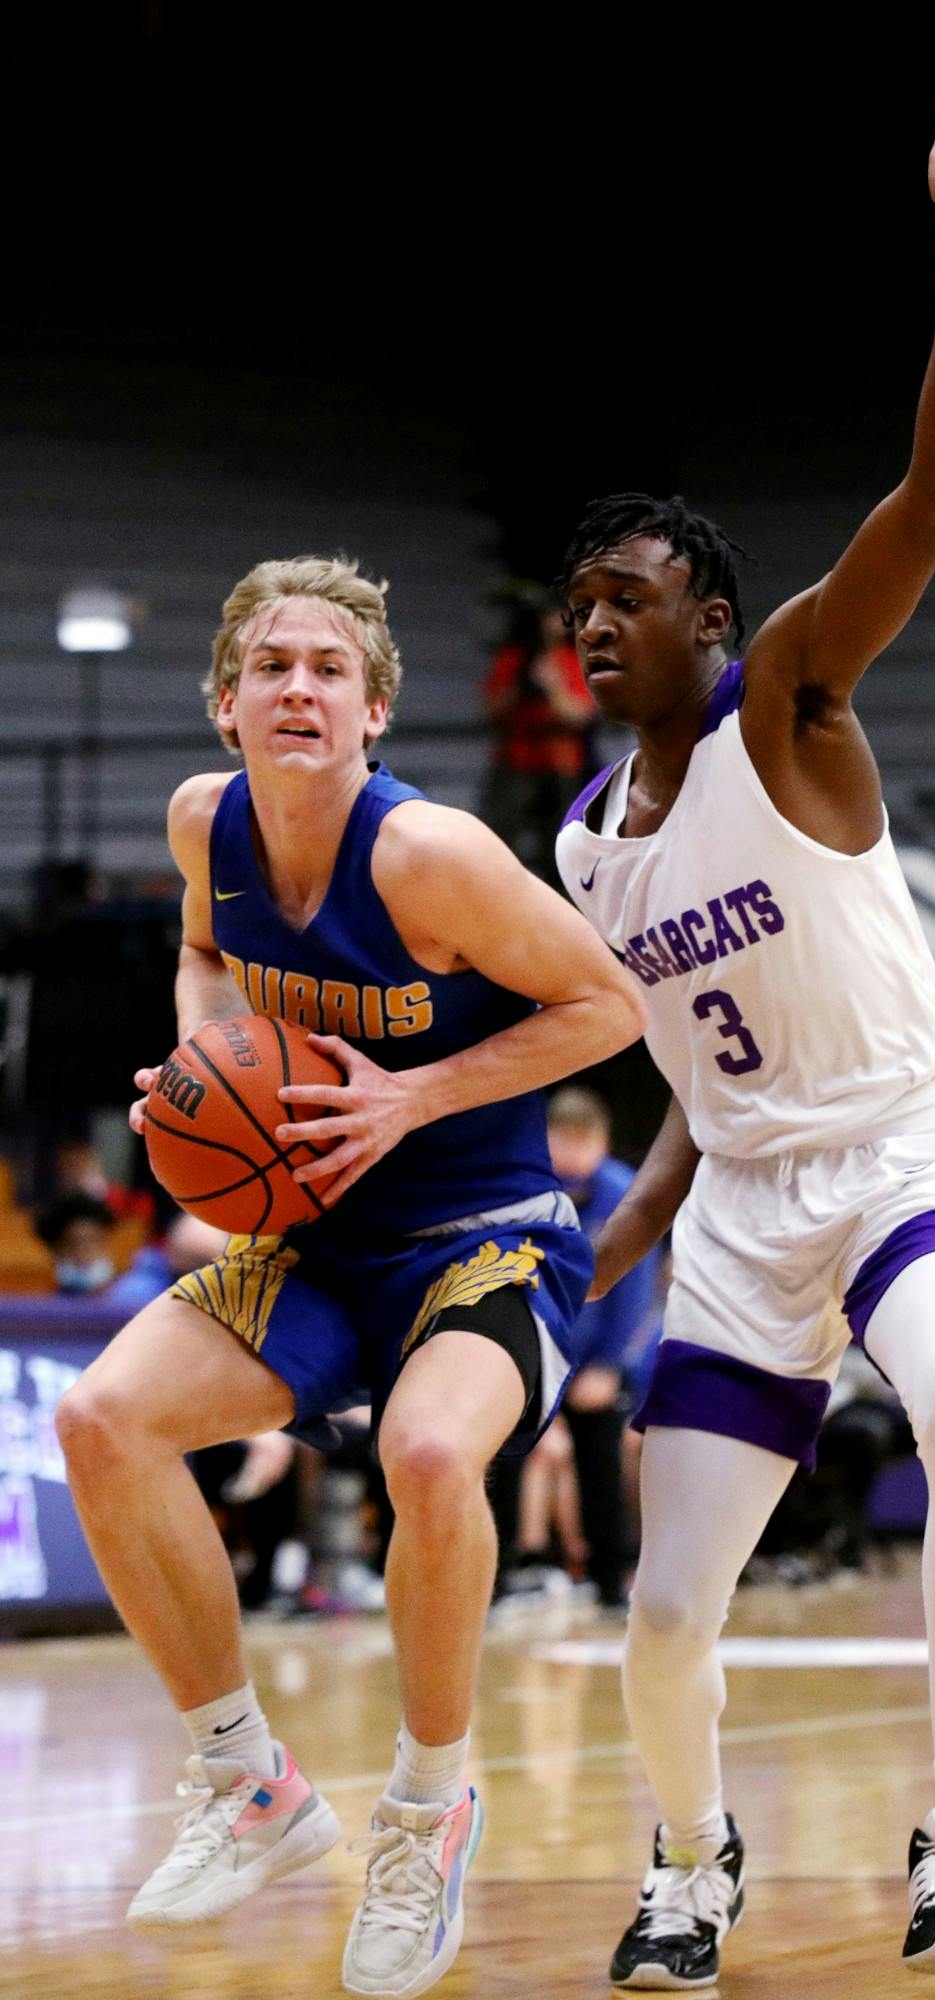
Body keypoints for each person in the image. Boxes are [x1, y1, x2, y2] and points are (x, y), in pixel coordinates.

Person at [555, 22, 935, 1986]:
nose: (595, 623)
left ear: (707, 612)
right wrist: (612, 1239)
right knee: (662, 1618)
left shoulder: (784, 702)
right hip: (747, 1218)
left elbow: (932, 494)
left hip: (904, 1158)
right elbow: (694, 1086)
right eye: (577, 606)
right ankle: (694, 1860)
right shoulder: (586, 848)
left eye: (627, 595)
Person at [54, 555, 643, 2000]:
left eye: (329, 669)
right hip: (315, 1238)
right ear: (225, 703)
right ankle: (248, 1780)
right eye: (271, 665)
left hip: (484, 1229)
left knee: (430, 1452)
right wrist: (199, 1064)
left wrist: (410, 1096)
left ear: (374, 711)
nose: (298, 688)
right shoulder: (205, 824)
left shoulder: (429, 856)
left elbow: (610, 1004)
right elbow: (204, 957)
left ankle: (427, 1812)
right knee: (101, 1420)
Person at [546, 1087, 663, 1607]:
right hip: (537, 1353)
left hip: (596, 1361)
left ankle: (610, 1585)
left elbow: (637, 1290)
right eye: (563, 1140)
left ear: (604, 1141)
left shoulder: (623, 1193)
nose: (573, 1151)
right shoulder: (530, 1188)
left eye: (583, 1140)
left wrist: (611, 1364)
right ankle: (500, 1585)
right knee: (506, 1463)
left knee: (601, 1469)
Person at [480, 599, 596, 887]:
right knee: (496, 841)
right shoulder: (515, 658)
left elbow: (581, 715)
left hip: (562, 766)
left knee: (560, 849)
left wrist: (551, 685)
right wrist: (521, 685)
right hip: (516, 762)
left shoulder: (573, 660)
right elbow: (491, 710)